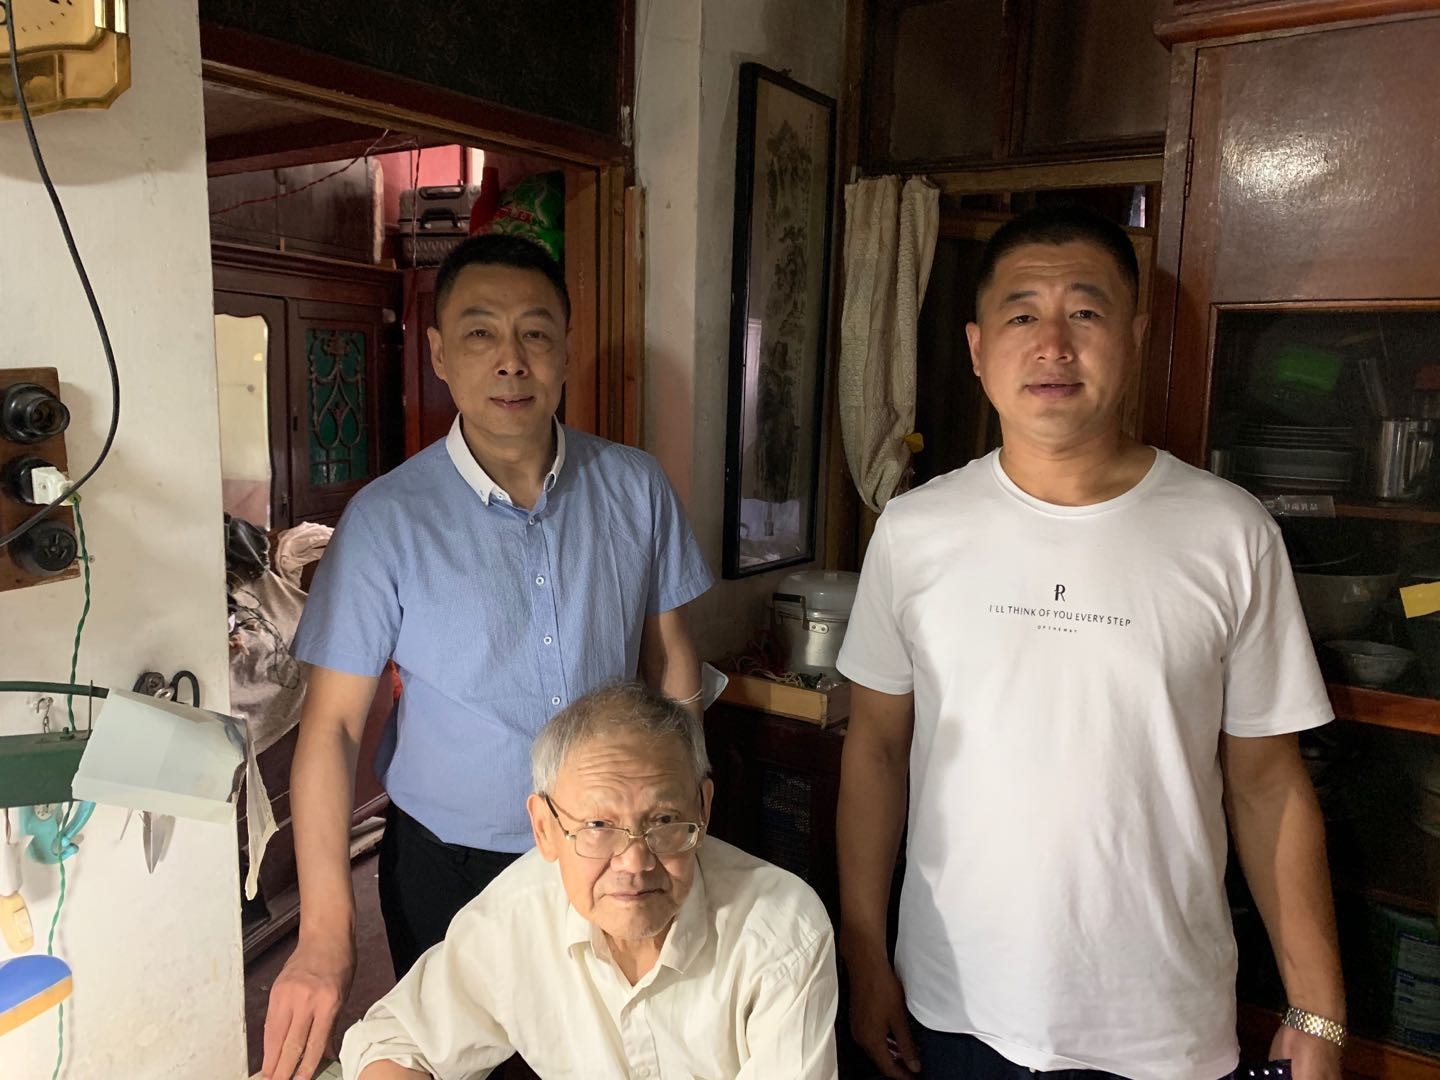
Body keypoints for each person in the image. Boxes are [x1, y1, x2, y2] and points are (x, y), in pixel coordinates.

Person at [835, 205, 1344, 1080]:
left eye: (1085, 311)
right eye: (1021, 314)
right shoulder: (914, 531)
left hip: (1162, 1031)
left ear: (1134, 336)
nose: (1053, 344)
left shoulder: (1229, 534)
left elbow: (1268, 783)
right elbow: (877, 748)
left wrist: (1318, 1009)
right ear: (976, 348)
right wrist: (865, 955)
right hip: (953, 1009)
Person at [263, 235, 714, 1080]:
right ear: (439, 354)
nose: (511, 360)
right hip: (449, 866)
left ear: (566, 350)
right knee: (459, 1063)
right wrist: (324, 931)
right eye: (480, 333)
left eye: (535, 333)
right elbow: (331, 729)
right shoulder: (387, 520)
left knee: (623, 1053)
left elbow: (673, 667)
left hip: (615, 854)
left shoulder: (636, 487)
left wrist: (685, 820)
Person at [339, 681, 840, 1079]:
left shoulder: (780, 929)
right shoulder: (517, 915)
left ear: (703, 810)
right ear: (544, 829)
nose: (635, 862)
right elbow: (394, 1041)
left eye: (664, 820)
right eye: (598, 826)